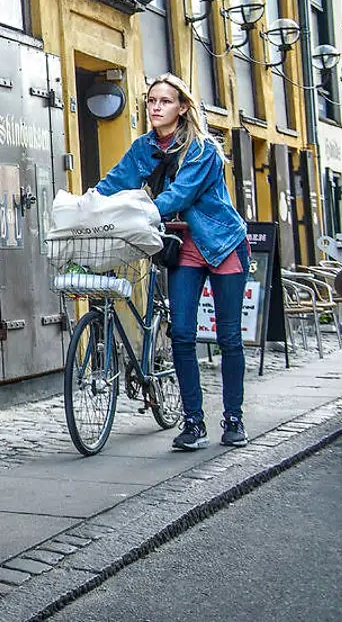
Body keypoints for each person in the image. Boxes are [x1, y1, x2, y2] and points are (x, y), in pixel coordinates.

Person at [93, 73, 250, 451]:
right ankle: (193, 423)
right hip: (183, 248)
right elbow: (117, 181)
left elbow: (180, 194)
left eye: (164, 101)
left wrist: (137, 212)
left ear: (182, 107)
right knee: (181, 334)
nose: (155, 107)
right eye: (150, 101)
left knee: (228, 336)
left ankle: (234, 418)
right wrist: (88, 205)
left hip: (222, 243)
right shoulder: (144, 148)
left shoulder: (203, 149)